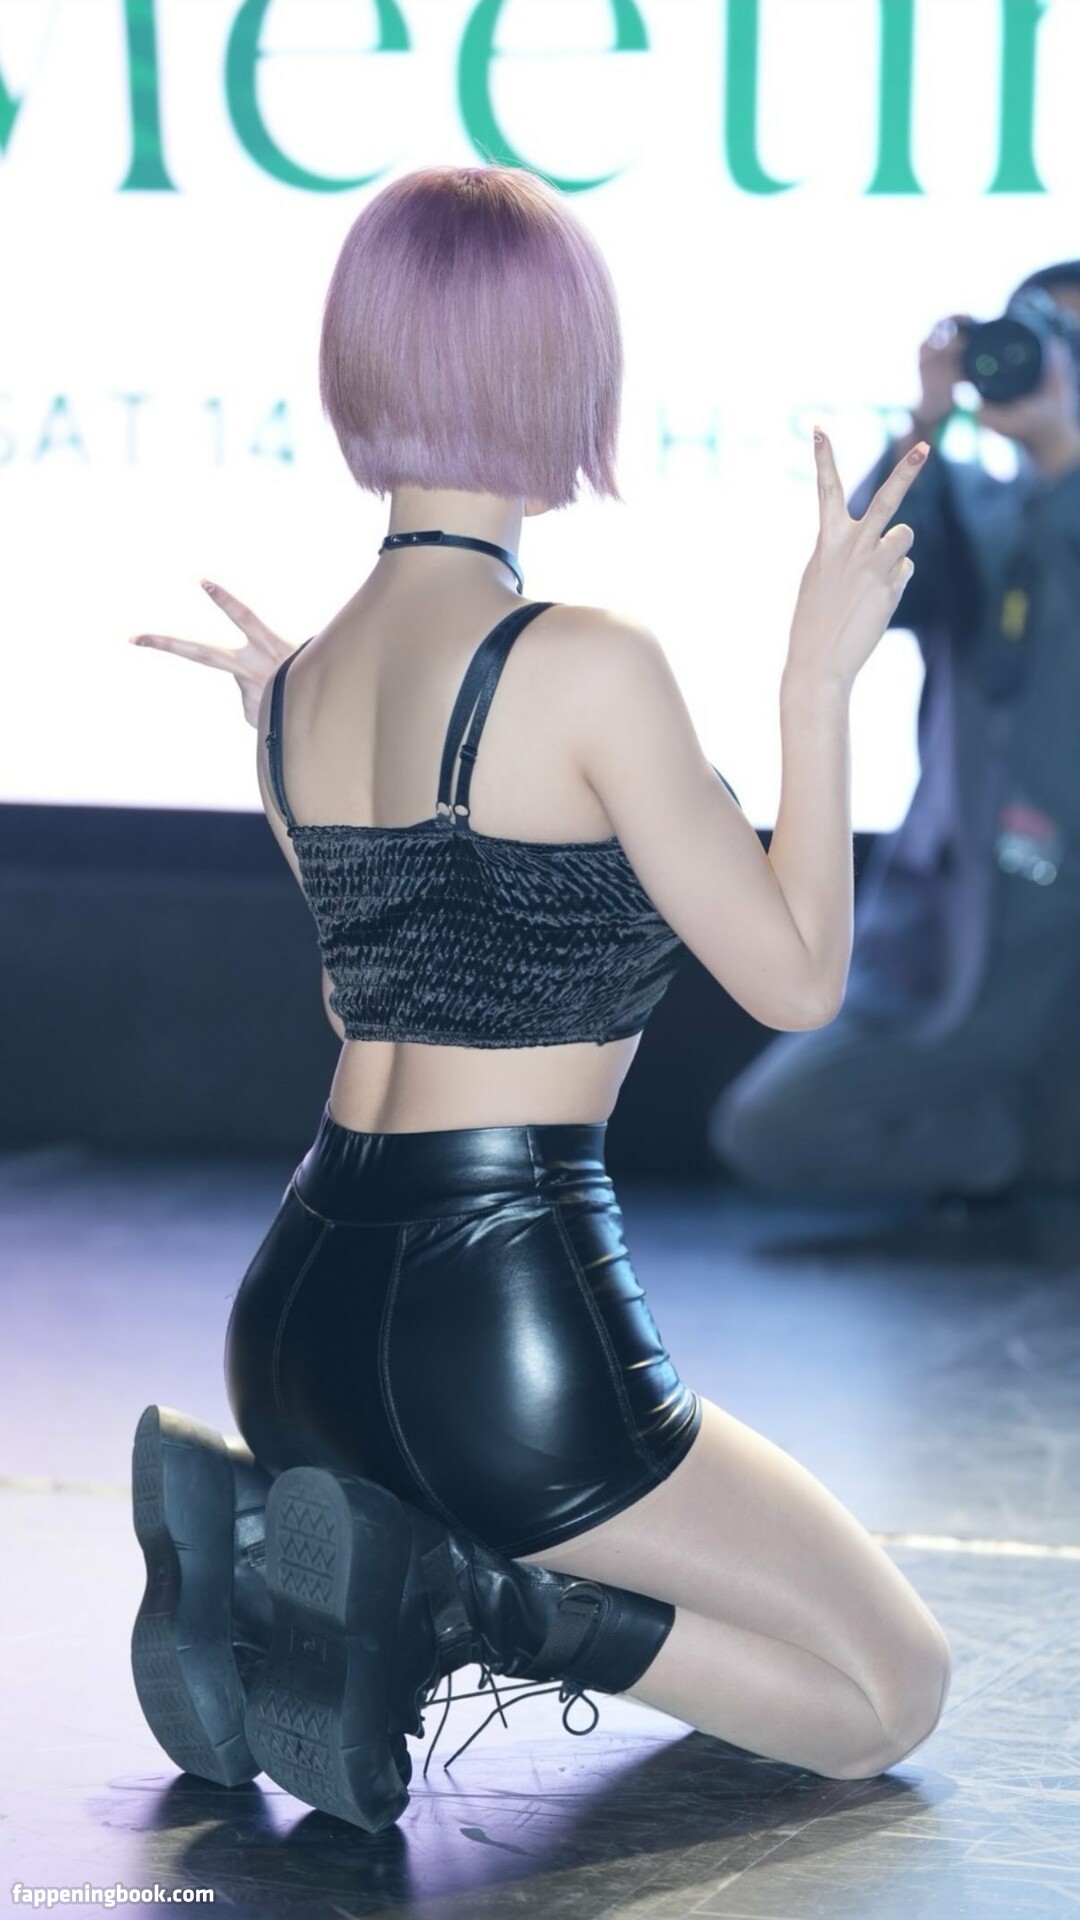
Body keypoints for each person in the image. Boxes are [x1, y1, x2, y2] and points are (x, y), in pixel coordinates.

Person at [128, 164, 950, 1834]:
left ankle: (273, 1550)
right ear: (560, 370)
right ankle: (463, 1603)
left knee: (780, 1640)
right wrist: (816, 683)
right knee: (888, 1697)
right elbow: (799, 979)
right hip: (496, 1323)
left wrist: (288, 728)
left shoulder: (296, 687)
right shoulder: (586, 661)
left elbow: (384, 981)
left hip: (294, 1326)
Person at [712, 264, 1080, 1201]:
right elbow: (880, 577)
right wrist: (930, 419)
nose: (1051, 366)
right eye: (1041, 341)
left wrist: (1065, 458)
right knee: (772, 1125)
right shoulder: (980, 508)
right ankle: (1016, 1163)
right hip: (957, 917)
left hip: (1062, 926)